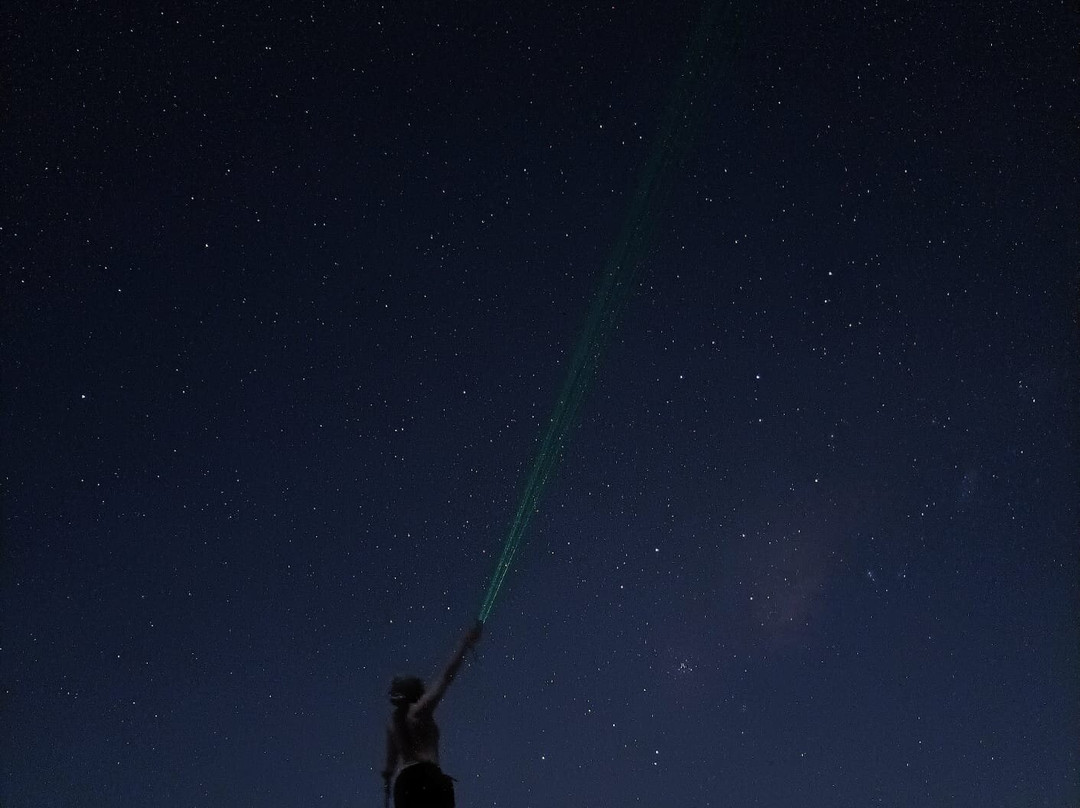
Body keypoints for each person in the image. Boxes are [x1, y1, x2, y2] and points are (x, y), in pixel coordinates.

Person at [382, 621, 483, 808]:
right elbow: (446, 677)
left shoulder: (392, 724)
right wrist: (465, 644)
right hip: (429, 778)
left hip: (404, 785)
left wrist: (388, 779)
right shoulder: (421, 709)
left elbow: (390, 765)